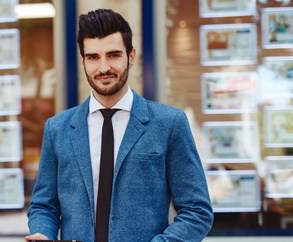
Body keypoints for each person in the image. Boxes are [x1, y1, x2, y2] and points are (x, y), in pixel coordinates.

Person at [25, 9, 213, 242]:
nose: (103, 68)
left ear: (131, 56)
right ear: (82, 61)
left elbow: (197, 212)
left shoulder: (169, 123)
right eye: (93, 57)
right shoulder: (57, 128)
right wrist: (43, 232)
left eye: (113, 55)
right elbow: (44, 206)